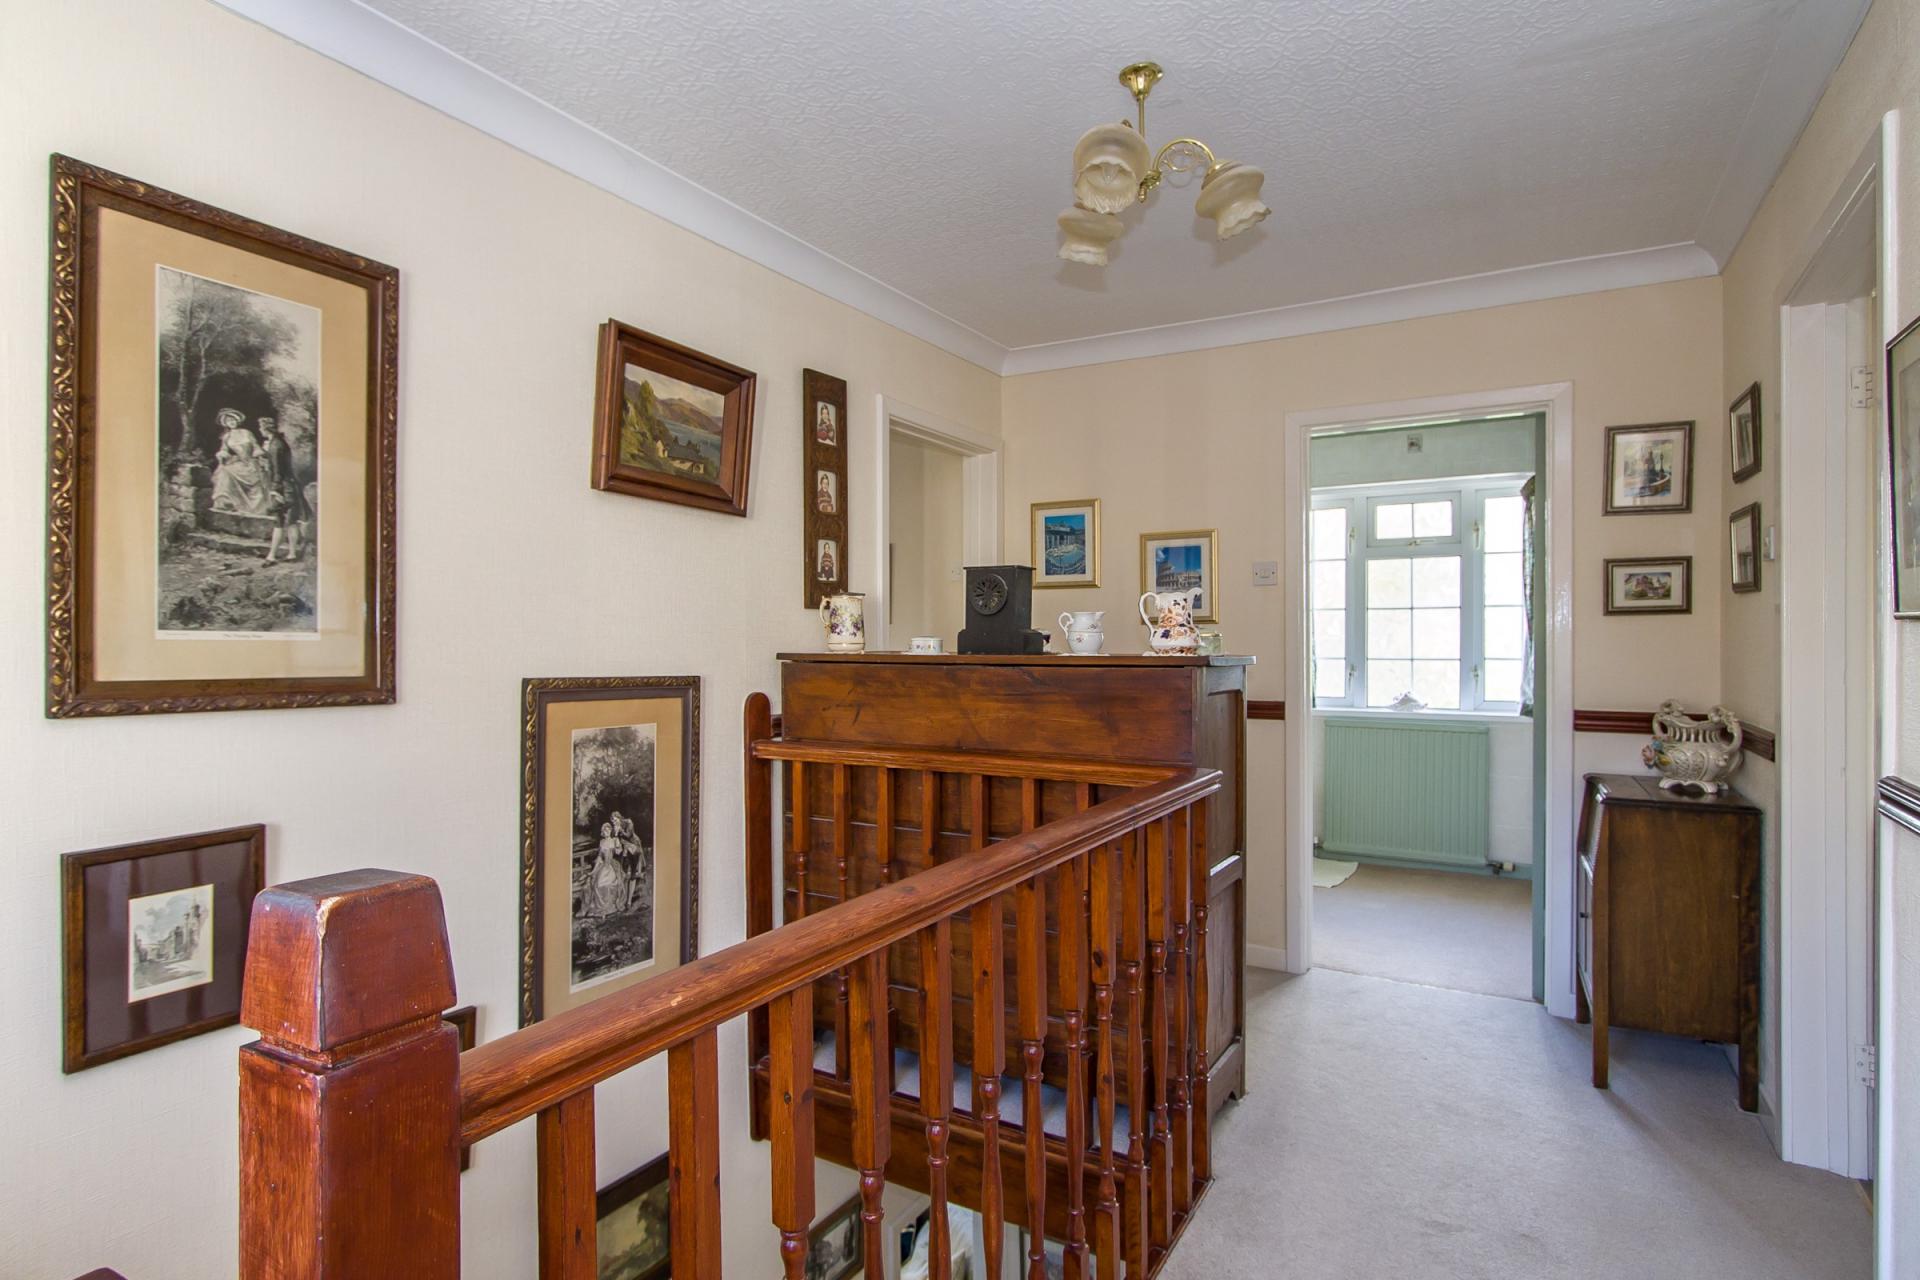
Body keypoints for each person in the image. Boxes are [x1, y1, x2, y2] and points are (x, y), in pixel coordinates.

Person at [257, 417, 311, 562]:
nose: (260, 430)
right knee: (289, 521)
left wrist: (275, 490)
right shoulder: (277, 443)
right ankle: (285, 554)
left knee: (281, 520)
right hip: (288, 485)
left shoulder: (276, 445)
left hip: (285, 487)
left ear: (266, 429)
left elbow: (278, 470)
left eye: (261, 428)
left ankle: (274, 555)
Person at [208, 408, 269, 514]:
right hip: (238, 462)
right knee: (224, 472)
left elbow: (256, 447)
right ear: (226, 424)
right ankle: (226, 503)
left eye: (233, 420)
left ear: (237, 420)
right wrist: (222, 454)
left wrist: (260, 456)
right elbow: (224, 450)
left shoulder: (247, 433)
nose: (231, 422)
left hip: (250, 462)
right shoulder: (227, 436)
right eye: (228, 421)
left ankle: (256, 509)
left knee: (257, 477)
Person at [585, 823, 631, 917]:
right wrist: (594, 870)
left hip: (612, 866)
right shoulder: (601, 842)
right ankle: (601, 908)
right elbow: (599, 857)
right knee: (597, 884)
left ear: (611, 831)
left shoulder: (614, 840)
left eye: (608, 830)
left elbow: (618, 852)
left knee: (609, 884)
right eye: (605, 830)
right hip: (603, 866)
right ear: (602, 831)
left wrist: (618, 844)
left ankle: (610, 907)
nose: (607, 831)